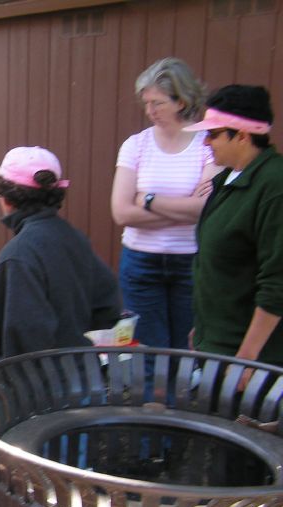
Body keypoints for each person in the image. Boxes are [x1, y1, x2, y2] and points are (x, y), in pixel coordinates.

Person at [110, 57, 221, 351]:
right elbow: (121, 212)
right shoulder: (136, 145)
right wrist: (185, 210)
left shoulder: (207, 144)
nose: (150, 111)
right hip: (140, 261)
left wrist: (147, 199)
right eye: (146, 103)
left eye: (157, 103)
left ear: (181, 101)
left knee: (187, 349)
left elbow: (206, 208)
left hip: (191, 261)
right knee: (147, 350)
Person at [0, 147, 121, 364]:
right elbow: (109, 307)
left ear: (6, 199)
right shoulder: (75, 238)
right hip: (82, 371)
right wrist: (71, 335)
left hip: (36, 381)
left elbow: (21, 339)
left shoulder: (18, 255)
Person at [184, 85, 283, 377]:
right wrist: (204, 328)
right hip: (219, 344)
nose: (206, 142)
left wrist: (248, 358)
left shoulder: (274, 186)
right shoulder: (229, 179)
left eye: (213, 134)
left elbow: (277, 282)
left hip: (253, 360)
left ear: (242, 135)